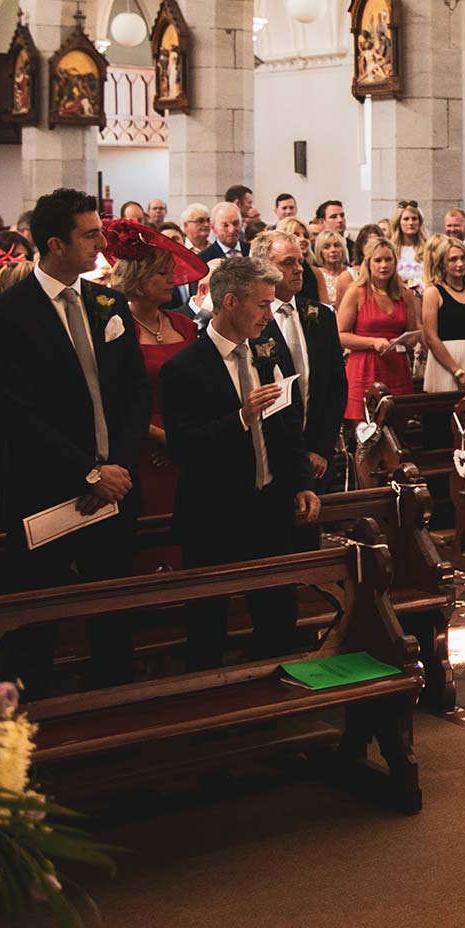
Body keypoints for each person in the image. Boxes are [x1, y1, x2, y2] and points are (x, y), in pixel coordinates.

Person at [0, 187, 150, 690]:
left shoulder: (108, 301)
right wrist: (87, 471)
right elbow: (13, 411)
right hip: (49, 490)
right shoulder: (7, 314)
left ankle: (118, 725)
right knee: (37, 625)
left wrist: (117, 466)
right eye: (90, 233)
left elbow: (136, 391)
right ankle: (31, 739)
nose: (101, 243)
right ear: (55, 243)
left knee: (113, 620)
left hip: (115, 489)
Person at [159, 254, 322, 671]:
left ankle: (277, 710)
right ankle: (210, 721)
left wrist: (303, 482)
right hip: (213, 515)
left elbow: (288, 425)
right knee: (208, 626)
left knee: (278, 619)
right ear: (230, 302)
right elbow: (183, 446)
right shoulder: (184, 368)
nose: (270, 314)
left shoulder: (267, 352)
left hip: (270, 507)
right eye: (262, 304)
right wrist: (239, 419)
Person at [100, 219, 205, 543]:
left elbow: (201, 388)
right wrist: (159, 436)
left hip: (188, 444)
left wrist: (185, 439)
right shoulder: (115, 327)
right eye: (162, 273)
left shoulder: (184, 325)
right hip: (140, 446)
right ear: (138, 277)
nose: (171, 279)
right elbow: (112, 397)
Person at [255, 231, 347, 484]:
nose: (299, 269)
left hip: (317, 457)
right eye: (288, 263)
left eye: (300, 261)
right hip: (270, 459)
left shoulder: (321, 316)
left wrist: (321, 448)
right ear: (263, 267)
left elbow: (335, 386)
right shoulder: (251, 322)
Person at [339, 235, 417, 424]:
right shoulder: (356, 292)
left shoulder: (404, 294)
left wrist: (404, 342)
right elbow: (340, 335)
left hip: (396, 366)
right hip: (365, 367)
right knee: (366, 432)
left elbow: (413, 332)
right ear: (368, 263)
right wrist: (372, 342)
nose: (384, 265)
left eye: (388, 259)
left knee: (396, 429)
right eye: (378, 260)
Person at [418, 235, 465, 394]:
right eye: (453, 259)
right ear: (442, 264)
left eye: (463, 258)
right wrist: (457, 371)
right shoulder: (433, 293)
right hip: (445, 366)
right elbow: (431, 337)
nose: (460, 264)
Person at [390, 202, 429, 290]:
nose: (411, 223)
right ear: (399, 222)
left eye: (414, 219)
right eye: (406, 219)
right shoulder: (391, 249)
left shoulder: (428, 248)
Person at [311, 227, 354, 308]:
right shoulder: (316, 274)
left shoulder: (351, 273)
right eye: (327, 247)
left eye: (337, 245)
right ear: (320, 251)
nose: (333, 250)